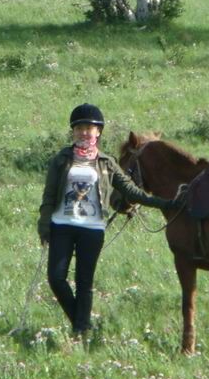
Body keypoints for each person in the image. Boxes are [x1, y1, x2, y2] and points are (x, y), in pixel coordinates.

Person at [37, 103, 184, 336]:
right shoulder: (61, 159)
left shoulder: (107, 162)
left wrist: (165, 203)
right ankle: (82, 323)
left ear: (98, 131)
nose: (85, 132)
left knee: (84, 282)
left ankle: (80, 331)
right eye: (80, 128)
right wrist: (44, 224)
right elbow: (48, 195)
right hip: (62, 225)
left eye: (90, 128)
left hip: (92, 229)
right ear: (73, 131)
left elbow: (132, 191)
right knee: (56, 279)